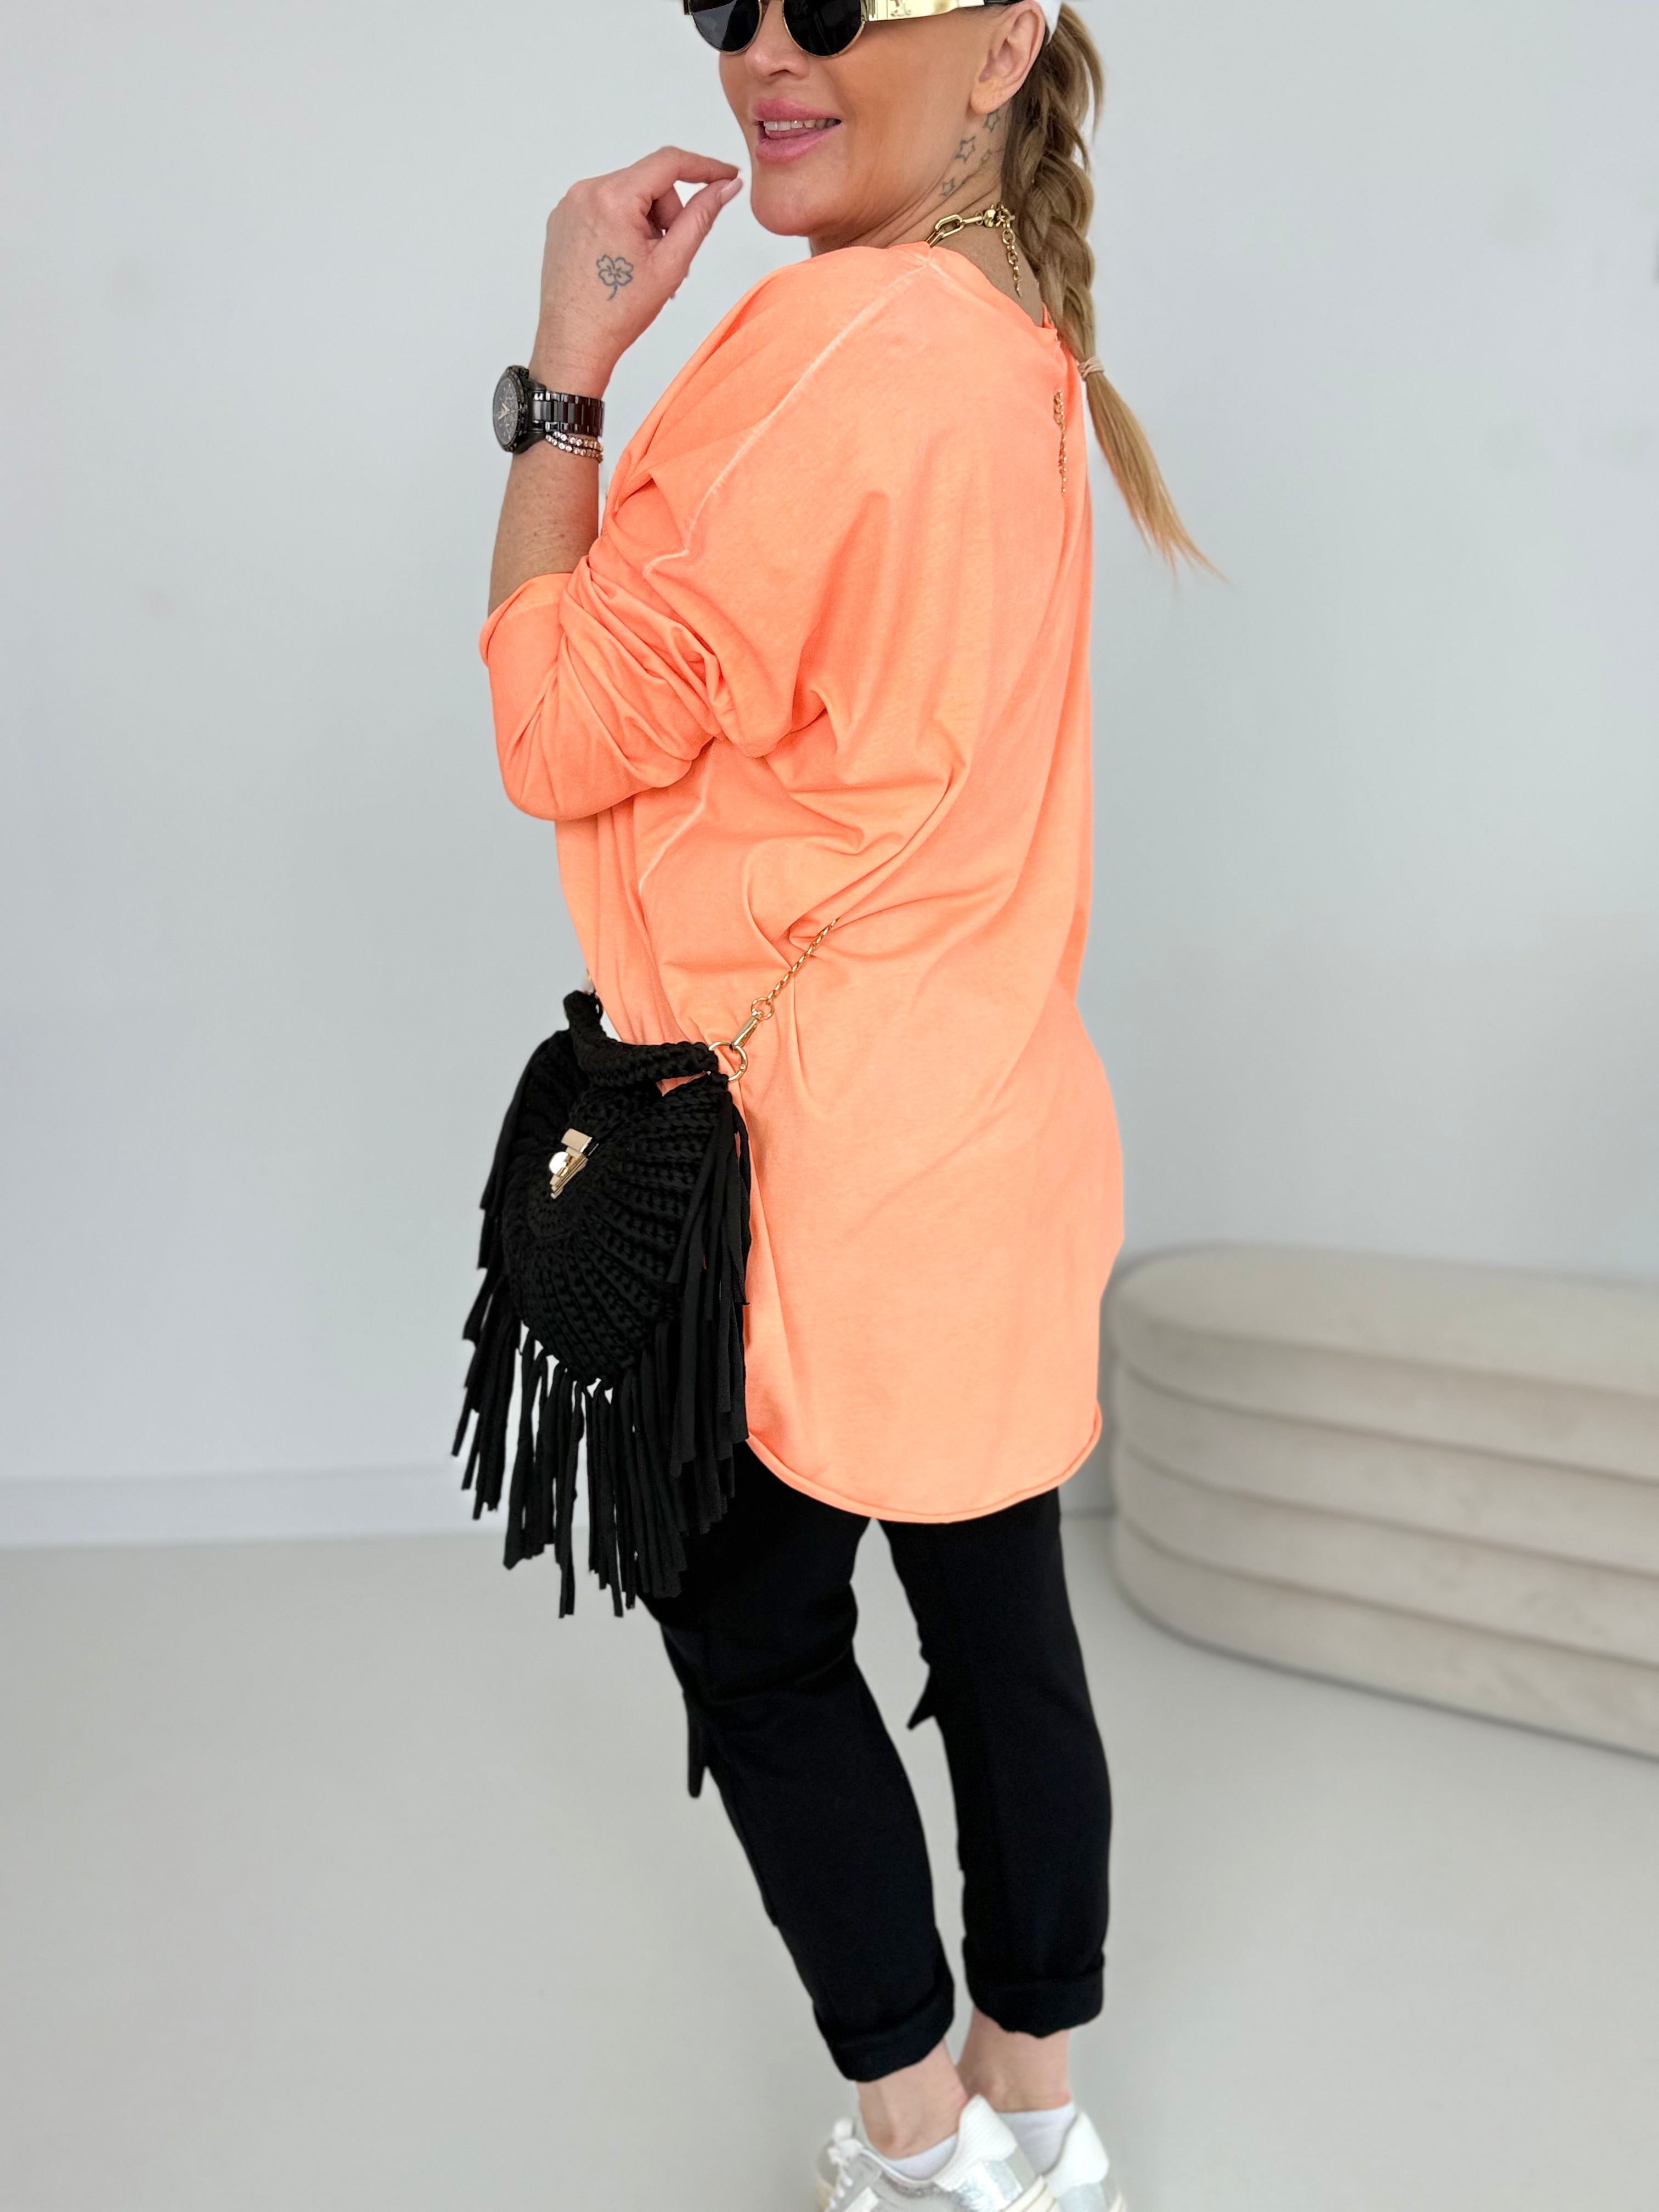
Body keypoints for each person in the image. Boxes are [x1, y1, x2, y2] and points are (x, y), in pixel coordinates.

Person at [481, 4, 1203, 2205]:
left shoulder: (836, 348)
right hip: (993, 1133)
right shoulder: (1014, 344)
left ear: (1001, 48)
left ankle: (915, 2138)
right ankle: (1038, 2111)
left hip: (806, 1170)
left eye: (831, 2)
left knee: (759, 1636)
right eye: (732, 4)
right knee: (1003, 1637)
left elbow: (554, 724)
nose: (767, 53)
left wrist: (568, 372)